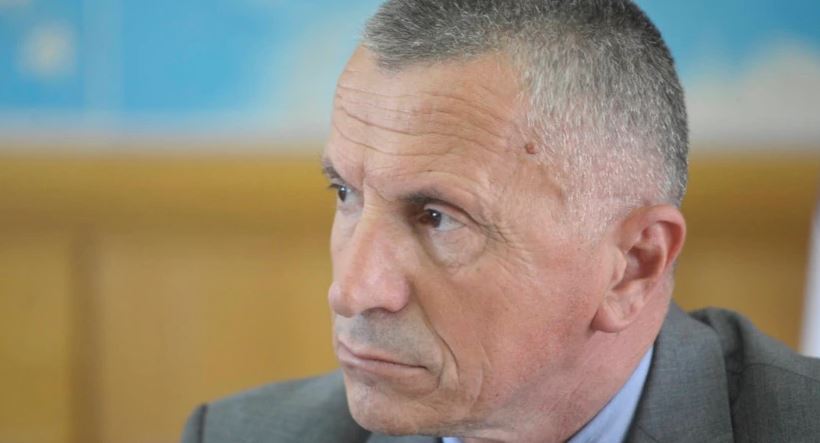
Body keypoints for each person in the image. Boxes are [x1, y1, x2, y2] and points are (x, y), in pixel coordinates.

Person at [181, 1, 820, 441]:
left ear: (633, 265)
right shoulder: (241, 436)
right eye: (345, 193)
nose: (350, 290)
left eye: (437, 218)